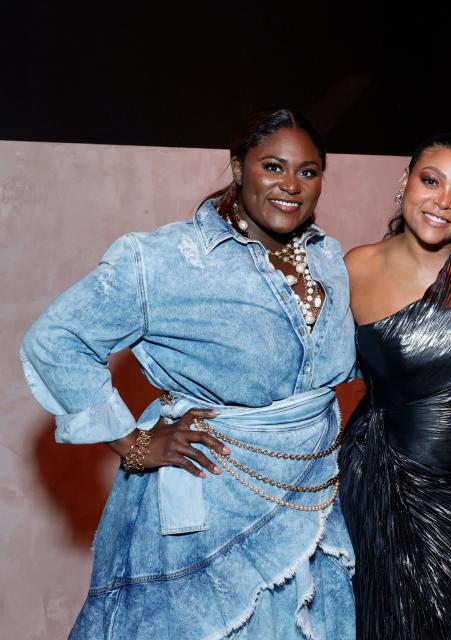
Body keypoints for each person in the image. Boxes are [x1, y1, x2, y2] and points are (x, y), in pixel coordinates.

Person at [19, 109, 357, 639]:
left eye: (308, 172)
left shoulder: (329, 258)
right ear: (238, 167)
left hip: (311, 502)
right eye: (273, 166)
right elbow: (57, 340)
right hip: (211, 510)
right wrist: (132, 443)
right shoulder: (168, 258)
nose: (291, 185)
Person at [338, 133, 451, 640]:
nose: (443, 201)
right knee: (377, 621)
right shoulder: (354, 267)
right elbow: (309, 369)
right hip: (377, 473)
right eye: (431, 181)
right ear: (405, 181)